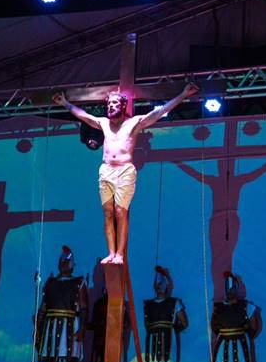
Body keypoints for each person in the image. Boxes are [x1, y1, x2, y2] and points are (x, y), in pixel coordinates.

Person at [53, 83, 200, 265]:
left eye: (115, 103)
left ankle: (120, 254)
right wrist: (65, 103)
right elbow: (84, 116)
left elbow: (160, 112)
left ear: (123, 106)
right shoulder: (104, 123)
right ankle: (111, 253)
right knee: (108, 213)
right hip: (106, 170)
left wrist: (183, 95)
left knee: (120, 211)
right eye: (109, 104)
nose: (111, 106)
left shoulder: (133, 123)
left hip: (124, 170)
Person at [37, 246, 88, 362]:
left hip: (71, 326)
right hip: (52, 326)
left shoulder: (79, 283)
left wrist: (82, 328)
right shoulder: (51, 283)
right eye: (62, 261)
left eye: (67, 262)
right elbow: (43, 308)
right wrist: (39, 328)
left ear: (72, 264)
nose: (64, 264)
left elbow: (84, 308)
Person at [211, 272, 262, 362]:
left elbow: (254, 327)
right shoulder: (218, 308)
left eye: (232, 289)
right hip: (223, 345)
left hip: (241, 344)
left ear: (236, 289)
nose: (229, 292)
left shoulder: (246, 307)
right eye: (227, 289)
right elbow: (214, 327)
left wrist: (245, 336)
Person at [143, 266, 188, 362]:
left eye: (161, 284)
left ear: (166, 286)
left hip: (168, 341)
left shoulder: (174, 303)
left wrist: (172, 332)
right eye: (157, 284)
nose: (159, 287)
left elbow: (183, 322)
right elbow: (147, 324)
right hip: (152, 341)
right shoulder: (148, 304)